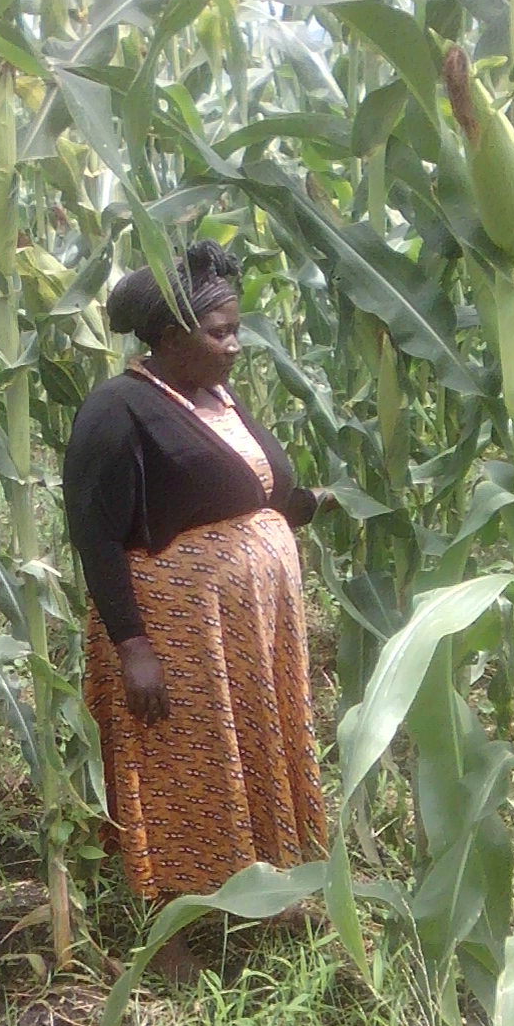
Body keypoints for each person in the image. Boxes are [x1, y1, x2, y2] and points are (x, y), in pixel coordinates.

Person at [62, 240, 327, 978]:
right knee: (174, 766)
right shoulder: (117, 409)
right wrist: (133, 645)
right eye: (220, 333)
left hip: (241, 631)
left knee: (243, 752)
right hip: (177, 631)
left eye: (235, 329)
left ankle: (259, 885)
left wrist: (296, 507)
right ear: (171, 336)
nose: (235, 345)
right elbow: (94, 531)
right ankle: (165, 931)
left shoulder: (213, 395)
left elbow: (236, 484)